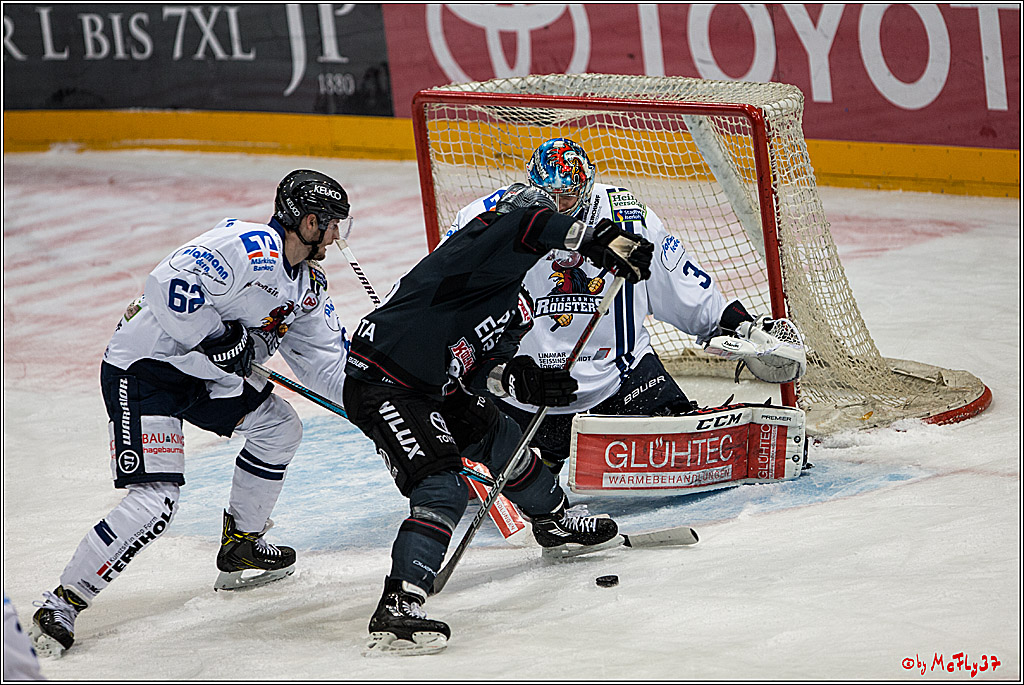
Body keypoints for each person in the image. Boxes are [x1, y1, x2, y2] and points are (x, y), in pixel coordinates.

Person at [28, 169, 354, 658]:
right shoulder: (248, 246)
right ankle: (63, 602)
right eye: (332, 225)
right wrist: (221, 339)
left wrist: (375, 404)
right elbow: (168, 283)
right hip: (147, 370)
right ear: (308, 223)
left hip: (205, 380)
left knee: (279, 427)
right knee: (156, 502)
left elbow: (326, 365)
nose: (336, 237)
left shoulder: (307, 288)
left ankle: (240, 542)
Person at [342, 183, 654, 654]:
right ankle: (399, 603)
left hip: (440, 387)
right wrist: (600, 239)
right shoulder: (474, 245)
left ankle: (553, 521)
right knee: (441, 487)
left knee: (506, 443)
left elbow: (488, 370)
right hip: (385, 384)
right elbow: (527, 224)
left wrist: (523, 380)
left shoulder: (513, 298)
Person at [447, 137, 769, 475]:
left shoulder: (625, 216)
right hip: (524, 386)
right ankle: (535, 453)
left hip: (619, 380)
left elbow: (678, 281)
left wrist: (733, 322)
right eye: (547, 197)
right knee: (462, 446)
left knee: (678, 435)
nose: (557, 207)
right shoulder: (488, 215)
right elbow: (445, 294)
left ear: (586, 190)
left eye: (567, 197)